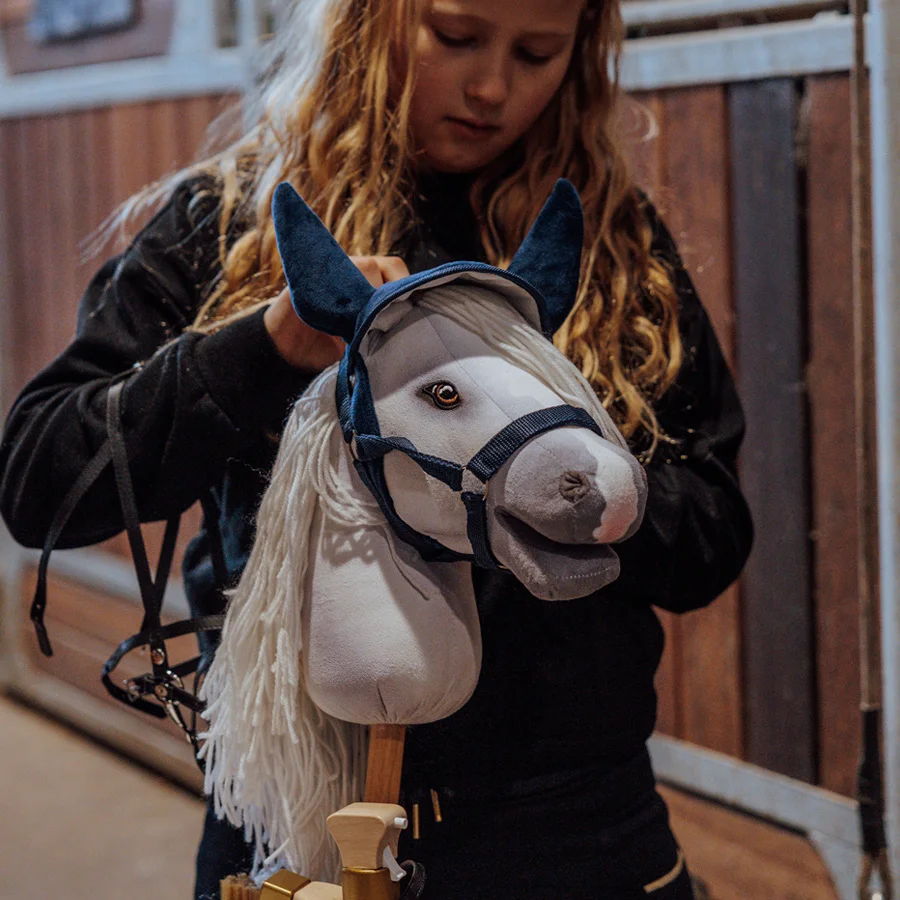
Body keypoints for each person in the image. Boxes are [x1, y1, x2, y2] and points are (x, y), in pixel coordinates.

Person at [0, 0, 753, 897]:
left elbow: (713, 529)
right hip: (295, 823)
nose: (491, 87)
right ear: (366, 22)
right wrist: (262, 350)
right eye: (457, 36)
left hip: (572, 820)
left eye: (538, 53)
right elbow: (41, 480)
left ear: (581, 55)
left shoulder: (610, 245)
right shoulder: (231, 222)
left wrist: (565, 494)